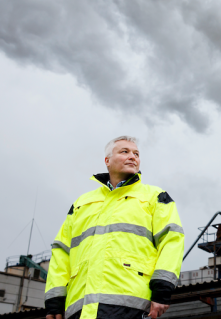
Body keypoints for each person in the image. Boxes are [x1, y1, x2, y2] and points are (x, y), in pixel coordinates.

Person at [45, 136, 184, 319]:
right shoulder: (82, 203)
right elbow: (62, 252)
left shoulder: (155, 197)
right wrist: (55, 299)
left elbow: (171, 241)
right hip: (80, 307)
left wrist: (163, 288)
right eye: (124, 151)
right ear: (107, 161)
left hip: (130, 305)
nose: (132, 157)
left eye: (136, 153)